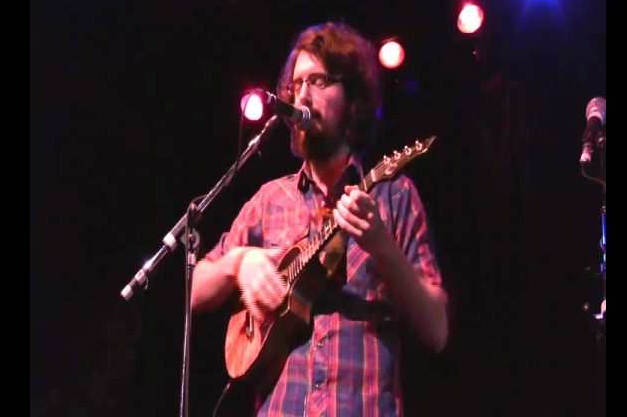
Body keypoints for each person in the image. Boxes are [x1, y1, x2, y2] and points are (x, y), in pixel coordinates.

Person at [192, 21, 449, 416]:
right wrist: (238, 262)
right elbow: (192, 291)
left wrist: (381, 246)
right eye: (296, 85)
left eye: (319, 80)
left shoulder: (394, 196)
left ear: (352, 99)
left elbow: (437, 330)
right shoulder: (268, 200)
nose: (303, 95)